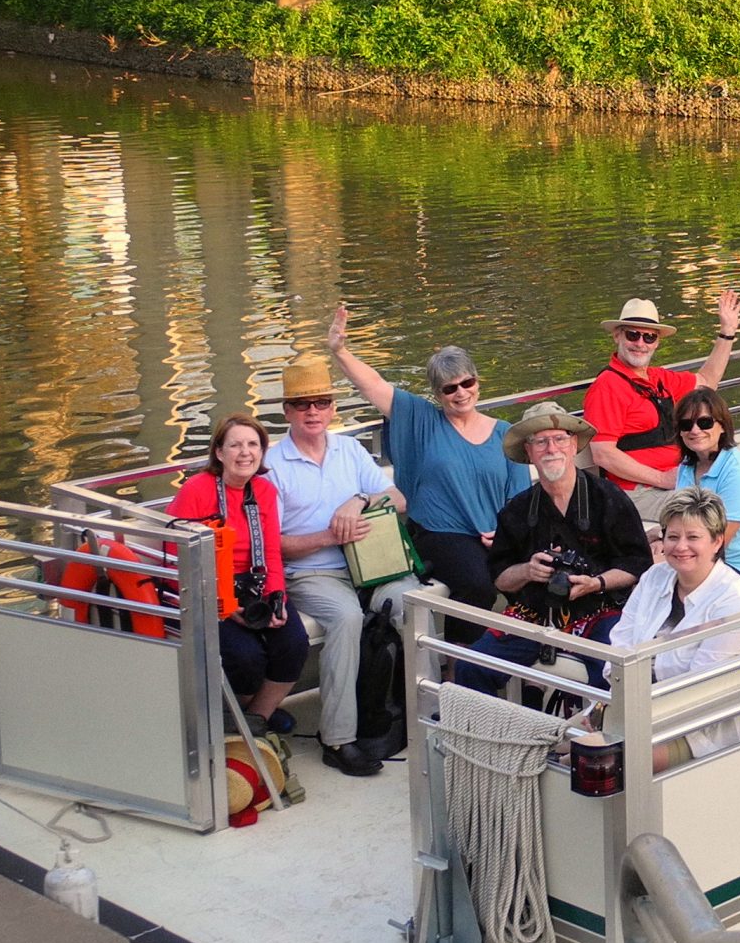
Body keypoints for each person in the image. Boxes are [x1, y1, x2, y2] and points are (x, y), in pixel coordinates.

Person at [263, 351, 422, 773]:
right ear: (287, 412)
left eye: (320, 402)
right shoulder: (272, 467)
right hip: (312, 573)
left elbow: (399, 498)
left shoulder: (349, 450)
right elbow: (272, 545)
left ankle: (426, 718)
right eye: (301, 404)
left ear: (333, 407)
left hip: (369, 566)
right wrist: (328, 536)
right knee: (347, 618)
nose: (312, 411)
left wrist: (360, 499)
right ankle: (338, 740)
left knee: (417, 604)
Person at [328, 305, 525, 613]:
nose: (460, 393)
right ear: (437, 394)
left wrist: (505, 535)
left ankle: (528, 652)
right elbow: (374, 385)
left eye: (466, 383)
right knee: (478, 588)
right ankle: (458, 661)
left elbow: (519, 498)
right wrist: (340, 351)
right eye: (450, 388)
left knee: (531, 580)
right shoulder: (422, 421)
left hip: (495, 533)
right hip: (441, 533)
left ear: (477, 381)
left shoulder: (505, 433)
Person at [167, 415, 323, 765]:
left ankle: (255, 719)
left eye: (253, 445)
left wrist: (278, 597)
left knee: (293, 644)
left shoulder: (264, 490)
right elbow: (173, 552)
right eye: (235, 444)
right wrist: (226, 602)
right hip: (208, 587)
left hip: (255, 583)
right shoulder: (197, 489)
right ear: (219, 452)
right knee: (245, 656)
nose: (245, 453)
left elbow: (269, 551)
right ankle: (245, 723)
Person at [485, 402, 653, 691]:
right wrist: (528, 570)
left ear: (574, 445)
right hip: (534, 614)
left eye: (560, 438)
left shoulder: (607, 498)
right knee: (471, 667)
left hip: (602, 609)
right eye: (540, 441)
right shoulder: (517, 509)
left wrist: (596, 582)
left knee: (616, 674)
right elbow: (499, 577)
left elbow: (638, 563)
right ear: (528, 451)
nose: (551, 448)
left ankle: (592, 736)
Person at [608, 488, 740, 768]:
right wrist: (610, 711)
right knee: (555, 744)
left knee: (607, 763)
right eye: (673, 536)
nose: (681, 547)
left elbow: (697, 693)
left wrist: (620, 720)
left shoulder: (737, 603)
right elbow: (620, 645)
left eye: (693, 537)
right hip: (633, 708)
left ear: (717, 541)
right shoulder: (655, 576)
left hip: (702, 729)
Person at [583, 292, 740, 511]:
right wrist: (661, 479)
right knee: (710, 511)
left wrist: (727, 332)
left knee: (738, 488)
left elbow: (706, 382)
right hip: (639, 491)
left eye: (649, 337)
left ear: (657, 342)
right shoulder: (607, 386)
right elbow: (603, 454)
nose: (640, 343)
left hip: (679, 480)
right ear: (617, 336)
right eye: (632, 335)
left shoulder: (659, 378)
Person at [672, 387, 740, 581]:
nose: (695, 430)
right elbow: (680, 519)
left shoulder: (739, 471)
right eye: (686, 424)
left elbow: (720, 540)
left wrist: (667, 558)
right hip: (696, 555)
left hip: (738, 567)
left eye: (705, 423)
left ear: (723, 426)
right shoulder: (686, 466)